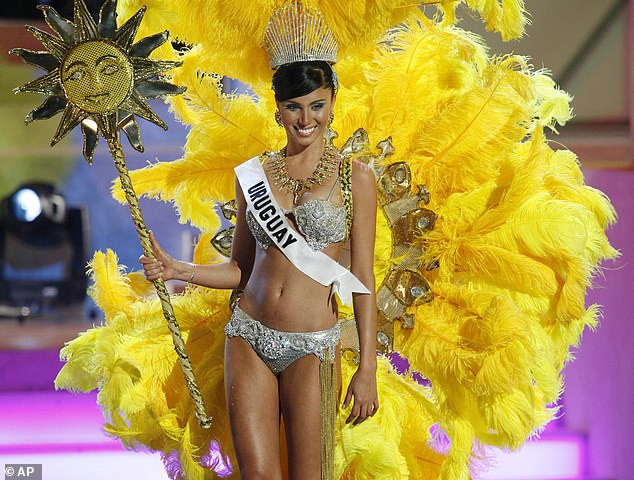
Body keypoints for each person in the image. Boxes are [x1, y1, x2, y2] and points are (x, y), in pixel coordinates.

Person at [140, 57, 379, 480]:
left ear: (333, 103)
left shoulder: (356, 179)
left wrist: (368, 369)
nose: (305, 119)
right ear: (277, 108)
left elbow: (362, 280)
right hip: (248, 336)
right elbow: (240, 269)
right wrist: (177, 269)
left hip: (313, 345)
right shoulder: (254, 175)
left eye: (317, 106)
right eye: (293, 107)